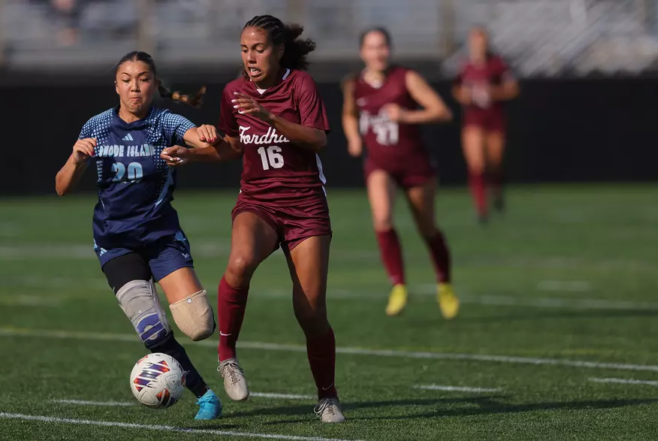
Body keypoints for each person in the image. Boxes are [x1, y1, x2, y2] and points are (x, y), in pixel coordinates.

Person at [161, 15, 345, 423]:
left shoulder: (300, 85)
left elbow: (318, 138)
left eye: (258, 49)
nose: (250, 57)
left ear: (278, 51)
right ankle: (227, 356)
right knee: (240, 263)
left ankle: (327, 395)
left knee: (311, 312)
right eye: (244, 50)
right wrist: (189, 155)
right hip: (257, 201)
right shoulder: (233, 92)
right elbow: (230, 147)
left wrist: (270, 117)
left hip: (305, 206)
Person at [54, 51, 223, 420]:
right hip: (116, 244)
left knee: (199, 327)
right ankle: (205, 395)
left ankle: (221, 359)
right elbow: (62, 187)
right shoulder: (97, 126)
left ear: (154, 84)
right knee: (153, 332)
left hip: (161, 238)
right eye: (127, 79)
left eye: (143, 78)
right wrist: (75, 159)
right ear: (116, 85)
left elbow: (209, 146)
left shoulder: (166, 121)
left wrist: (205, 138)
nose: (135, 86)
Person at [342, 27, 460, 319]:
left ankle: (444, 284)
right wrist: (354, 138)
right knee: (382, 217)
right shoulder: (354, 84)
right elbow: (349, 114)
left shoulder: (406, 78)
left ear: (390, 49)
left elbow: (443, 112)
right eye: (372, 47)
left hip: (415, 165)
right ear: (362, 53)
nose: (378, 53)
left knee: (427, 227)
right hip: (380, 164)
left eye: (382, 46)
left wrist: (409, 115)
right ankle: (398, 285)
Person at [453, 27, 519, 224]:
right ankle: (481, 208)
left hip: (495, 119)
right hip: (473, 120)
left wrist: (492, 92)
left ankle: (497, 192)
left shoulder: (498, 65)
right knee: (477, 164)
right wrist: (465, 95)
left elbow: (512, 89)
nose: (479, 46)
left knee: (494, 163)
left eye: (482, 42)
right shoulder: (465, 66)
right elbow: (457, 90)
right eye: (475, 43)